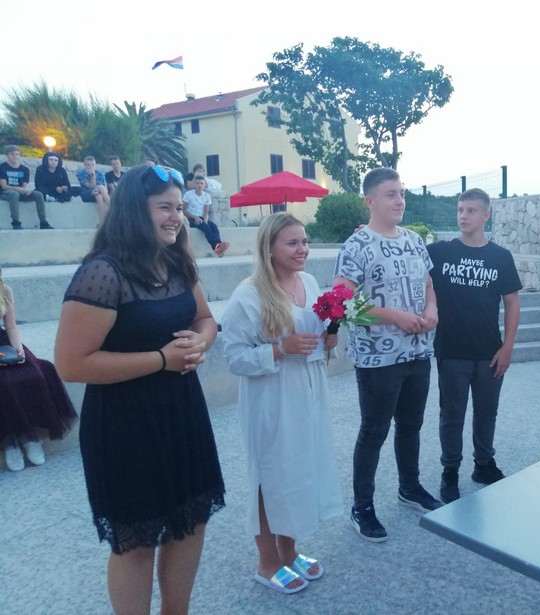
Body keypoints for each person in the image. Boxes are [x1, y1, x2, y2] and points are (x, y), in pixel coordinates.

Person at [54, 165, 226, 615]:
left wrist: (201, 342)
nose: (176, 217)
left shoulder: (177, 263)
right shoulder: (102, 273)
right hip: (124, 424)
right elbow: (71, 364)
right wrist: (160, 360)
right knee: (136, 541)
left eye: (179, 207)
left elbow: (206, 319)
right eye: (164, 207)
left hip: (182, 411)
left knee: (191, 520)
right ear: (134, 210)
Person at [222, 213, 342, 594]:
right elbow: (234, 357)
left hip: (308, 391)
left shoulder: (308, 282)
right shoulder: (249, 295)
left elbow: (311, 332)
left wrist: (328, 340)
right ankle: (267, 561)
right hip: (271, 397)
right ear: (269, 248)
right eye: (292, 243)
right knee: (269, 474)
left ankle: (289, 550)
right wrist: (278, 350)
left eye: (304, 241)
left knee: (298, 469)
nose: (303, 249)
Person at [334, 167, 440, 543]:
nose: (400, 201)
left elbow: (428, 283)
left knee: (411, 425)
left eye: (401, 193)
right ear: (371, 201)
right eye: (391, 194)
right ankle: (362, 507)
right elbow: (342, 300)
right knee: (374, 431)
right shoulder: (356, 245)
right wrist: (394, 316)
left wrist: (432, 310)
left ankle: (409, 487)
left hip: (418, 350)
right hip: (378, 357)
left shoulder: (414, 240)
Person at [427, 188, 522, 503]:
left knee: (487, 413)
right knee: (451, 415)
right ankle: (450, 471)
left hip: (489, 352)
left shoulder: (500, 257)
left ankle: (483, 464)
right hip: (451, 350)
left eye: (470, 210)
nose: (463, 216)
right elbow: (403, 249)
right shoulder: (440, 253)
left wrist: (508, 346)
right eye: (460, 210)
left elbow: (512, 302)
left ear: (486, 215)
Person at [1, 268, 77, 471]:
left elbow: (11, 327)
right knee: (4, 383)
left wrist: (18, 351)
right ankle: (10, 443)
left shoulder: (4, 289)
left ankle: (30, 437)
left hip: (3, 345)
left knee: (35, 373)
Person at [0, 145, 53, 230]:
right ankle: (16, 222)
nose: (15, 156)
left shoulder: (25, 169)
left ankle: (43, 222)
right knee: (14, 194)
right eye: (12, 154)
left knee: (38, 194)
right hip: (5, 193)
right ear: (7, 155)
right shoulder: (2, 167)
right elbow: (4, 186)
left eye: (17, 154)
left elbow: (24, 186)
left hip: (19, 192)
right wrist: (18, 189)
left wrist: (25, 191)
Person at [183, 176, 229, 257]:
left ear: (204, 185)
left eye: (201, 183)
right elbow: (184, 211)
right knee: (205, 227)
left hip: (201, 219)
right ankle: (216, 247)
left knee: (213, 226)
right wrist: (195, 218)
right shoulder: (188, 195)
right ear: (194, 184)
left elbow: (206, 212)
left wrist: (205, 220)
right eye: (197, 183)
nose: (199, 185)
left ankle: (218, 246)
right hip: (190, 219)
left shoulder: (207, 196)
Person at [75, 156, 110, 224]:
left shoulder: (100, 173)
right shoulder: (80, 173)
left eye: (92, 165)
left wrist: (98, 190)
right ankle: (112, 206)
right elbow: (91, 187)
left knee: (99, 197)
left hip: (98, 193)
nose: (91, 167)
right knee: (100, 187)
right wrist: (92, 176)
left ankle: (102, 223)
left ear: (95, 165)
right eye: (88, 165)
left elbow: (106, 189)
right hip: (86, 194)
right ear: (85, 165)